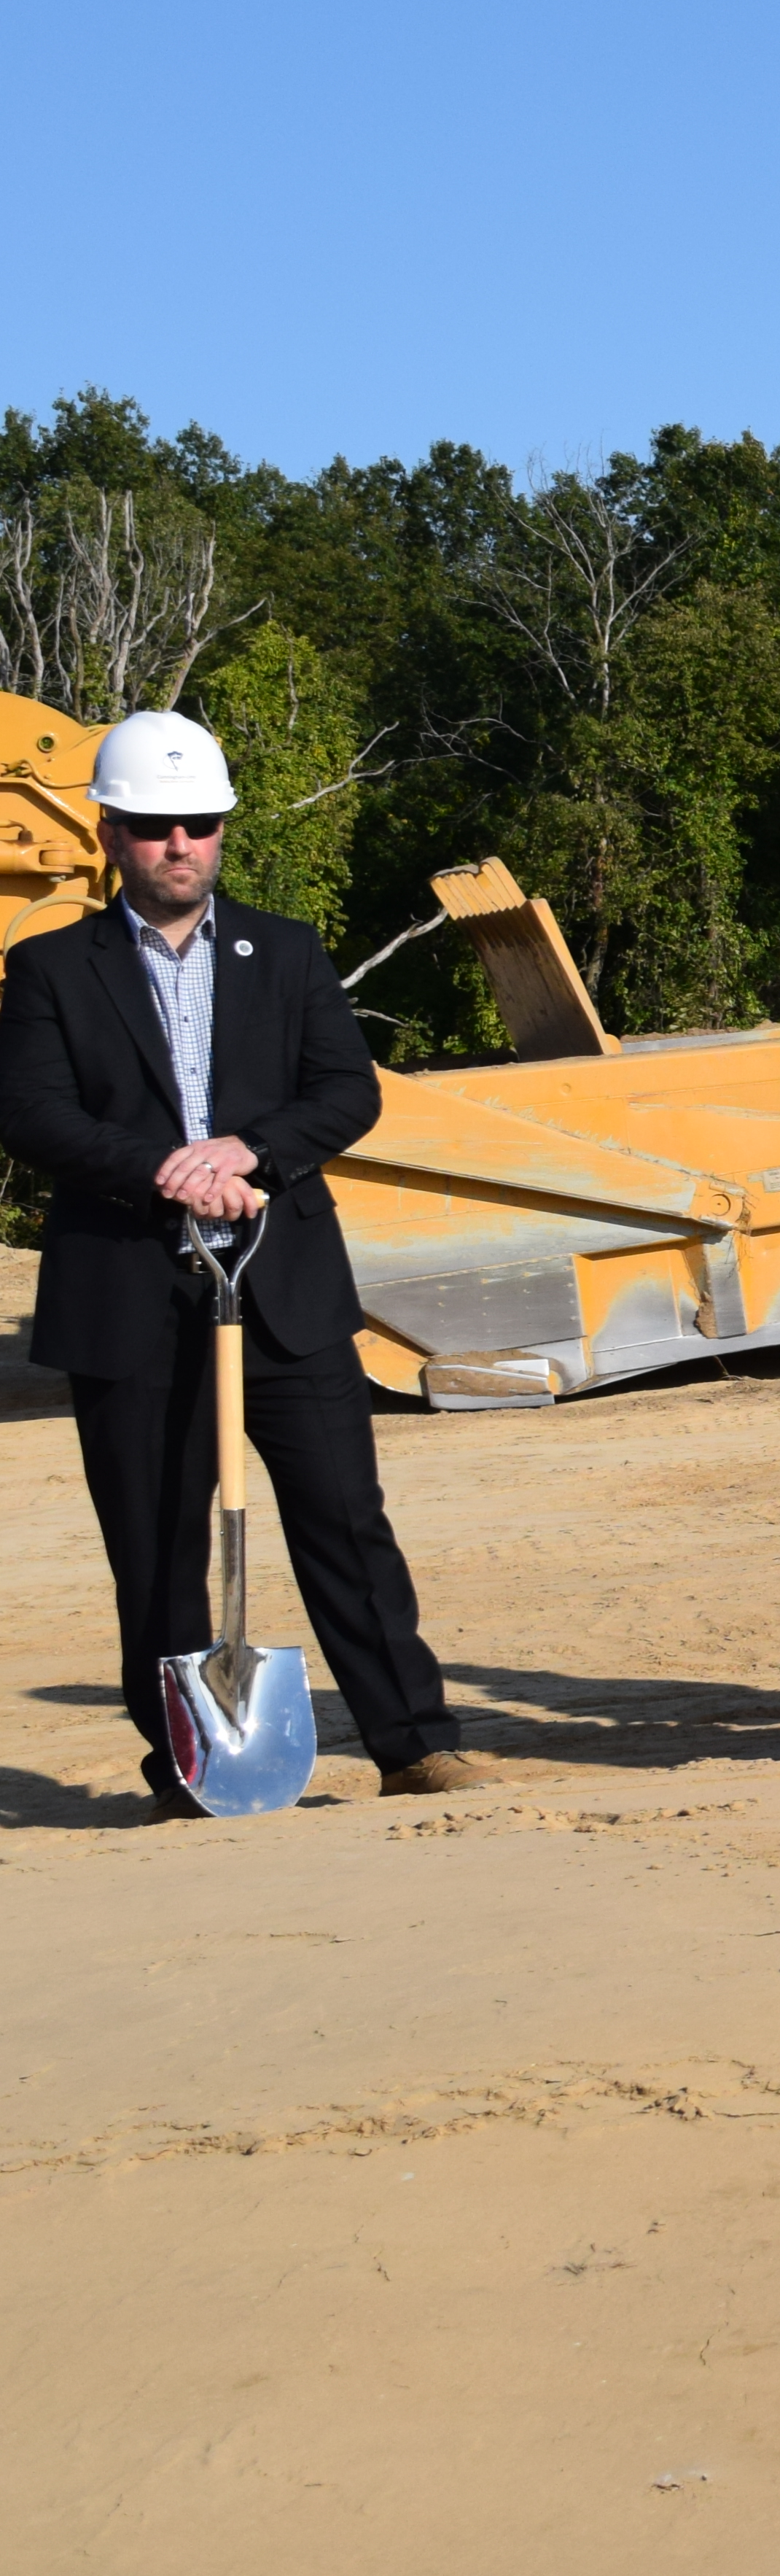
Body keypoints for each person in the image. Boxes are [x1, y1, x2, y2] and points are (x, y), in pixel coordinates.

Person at [0, 710, 483, 1817]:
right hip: (132, 1296)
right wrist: (165, 1168)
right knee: (156, 1544)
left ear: (223, 833)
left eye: (202, 824)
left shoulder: (289, 950)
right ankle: (187, 1768)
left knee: (345, 1524)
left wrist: (249, 1149)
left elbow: (345, 1092)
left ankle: (415, 1742)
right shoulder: (50, 967)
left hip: (284, 1294)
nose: (182, 844)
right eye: (158, 826)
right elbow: (28, 1112)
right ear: (112, 834)